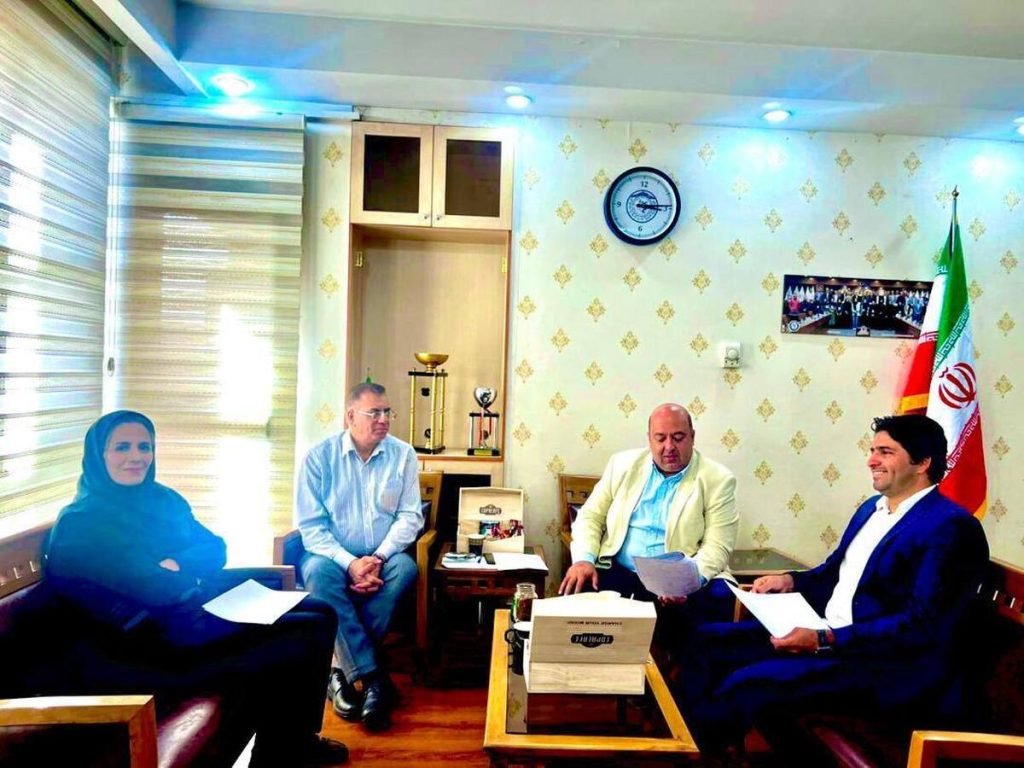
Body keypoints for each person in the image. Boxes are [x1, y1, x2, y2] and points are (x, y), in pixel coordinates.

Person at [44, 410, 347, 768]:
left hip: (185, 622)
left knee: (321, 612)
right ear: (99, 455)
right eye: (122, 447)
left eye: (144, 446)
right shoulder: (82, 523)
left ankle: (294, 740)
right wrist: (177, 570)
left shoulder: (162, 500)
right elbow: (156, 589)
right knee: (298, 634)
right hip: (139, 650)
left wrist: (175, 563)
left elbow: (215, 548)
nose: (136, 456)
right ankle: (280, 751)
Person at [676, 414, 989, 753]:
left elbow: (921, 626)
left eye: (885, 452)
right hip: (827, 637)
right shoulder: (871, 509)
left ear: (923, 463)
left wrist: (826, 639)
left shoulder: (950, 527)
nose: (871, 460)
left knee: (748, 683)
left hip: (877, 663)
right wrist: (789, 581)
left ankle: (694, 754)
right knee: (705, 641)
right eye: (872, 450)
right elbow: (832, 574)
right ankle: (685, 742)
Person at [296, 382, 422, 732]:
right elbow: (312, 527)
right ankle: (374, 677)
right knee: (317, 574)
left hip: (385, 556)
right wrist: (350, 563)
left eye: (387, 412)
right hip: (332, 557)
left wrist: (378, 557)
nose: (384, 419)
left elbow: (410, 517)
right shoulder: (319, 458)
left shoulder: (403, 454)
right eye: (374, 412)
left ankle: (337, 670)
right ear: (351, 416)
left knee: (406, 569)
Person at [559, 403, 739, 624]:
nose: (669, 446)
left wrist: (684, 582)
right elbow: (590, 517)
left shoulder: (718, 479)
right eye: (660, 438)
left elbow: (717, 546)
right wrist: (584, 560)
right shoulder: (622, 465)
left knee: (705, 608)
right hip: (620, 570)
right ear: (649, 439)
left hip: (678, 577)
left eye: (678, 437)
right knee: (579, 592)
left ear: (692, 437)